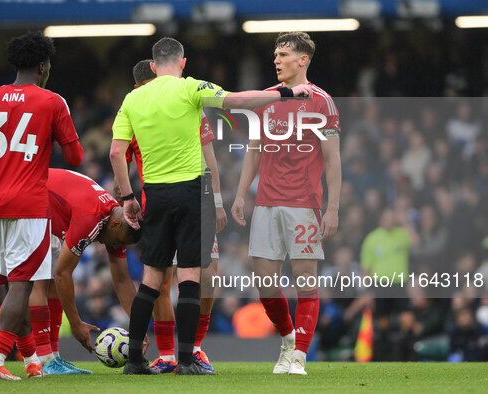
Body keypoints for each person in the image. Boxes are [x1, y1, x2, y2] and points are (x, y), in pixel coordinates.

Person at [110, 37, 311, 375]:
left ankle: (133, 360)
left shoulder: (133, 98)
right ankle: (187, 361)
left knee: (151, 277)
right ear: (183, 63)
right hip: (191, 191)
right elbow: (238, 100)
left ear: (154, 66)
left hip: (154, 192)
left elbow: (117, 153)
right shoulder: (191, 88)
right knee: (190, 275)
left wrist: (129, 198)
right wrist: (286, 93)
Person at [0, 31, 83, 380]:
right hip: (29, 206)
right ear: (43, 66)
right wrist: (54, 133)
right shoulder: (52, 102)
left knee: (16, 285)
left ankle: (30, 362)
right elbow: (76, 156)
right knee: (23, 286)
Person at [231, 32, 342, 376]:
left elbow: (333, 160)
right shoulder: (265, 98)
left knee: (306, 279)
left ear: (302, 60)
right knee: (265, 282)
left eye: (283, 54)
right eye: (275, 54)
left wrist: (333, 208)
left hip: (304, 204)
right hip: (265, 202)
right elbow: (254, 149)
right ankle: (287, 341)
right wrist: (239, 194)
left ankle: (300, 357)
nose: (276, 60)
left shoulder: (322, 101)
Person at [116, 60, 227, 374]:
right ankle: (168, 354)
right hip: (159, 206)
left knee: (208, 276)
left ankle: (194, 349)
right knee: (163, 283)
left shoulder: (184, 105)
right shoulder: (137, 111)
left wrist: (216, 200)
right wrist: (125, 200)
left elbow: (210, 157)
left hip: (195, 199)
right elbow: (119, 162)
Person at [29, 168, 142, 375]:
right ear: (116, 225)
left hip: (44, 211)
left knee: (51, 281)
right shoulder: (92, 218)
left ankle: (53, 358)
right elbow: (63, 273)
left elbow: (123, 281)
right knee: (40, 281)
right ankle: (39, 358)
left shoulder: (114, 221)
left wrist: (139, 329)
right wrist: (75, 323)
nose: (115, 246)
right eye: (117, 242)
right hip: (28, 201)